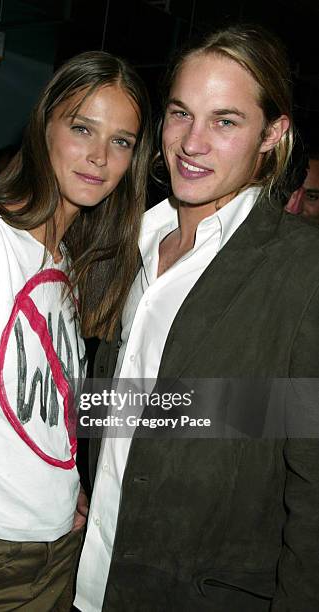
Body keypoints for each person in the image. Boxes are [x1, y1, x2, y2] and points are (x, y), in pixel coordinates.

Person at [75, 26, 319, 611]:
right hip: (83, 579)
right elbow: (148, 402)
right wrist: (86, 475)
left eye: (226, 121)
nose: (192, 143)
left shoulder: (302, 269)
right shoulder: (123, 241)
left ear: (272, 133)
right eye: (182, 113)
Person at [0, 51, 151, 611]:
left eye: (122, 141)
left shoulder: (67, 262)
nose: (99, 157)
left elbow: (42, 412)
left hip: (55, 550)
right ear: (44, 128)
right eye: (82, 128)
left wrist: (67, 489)